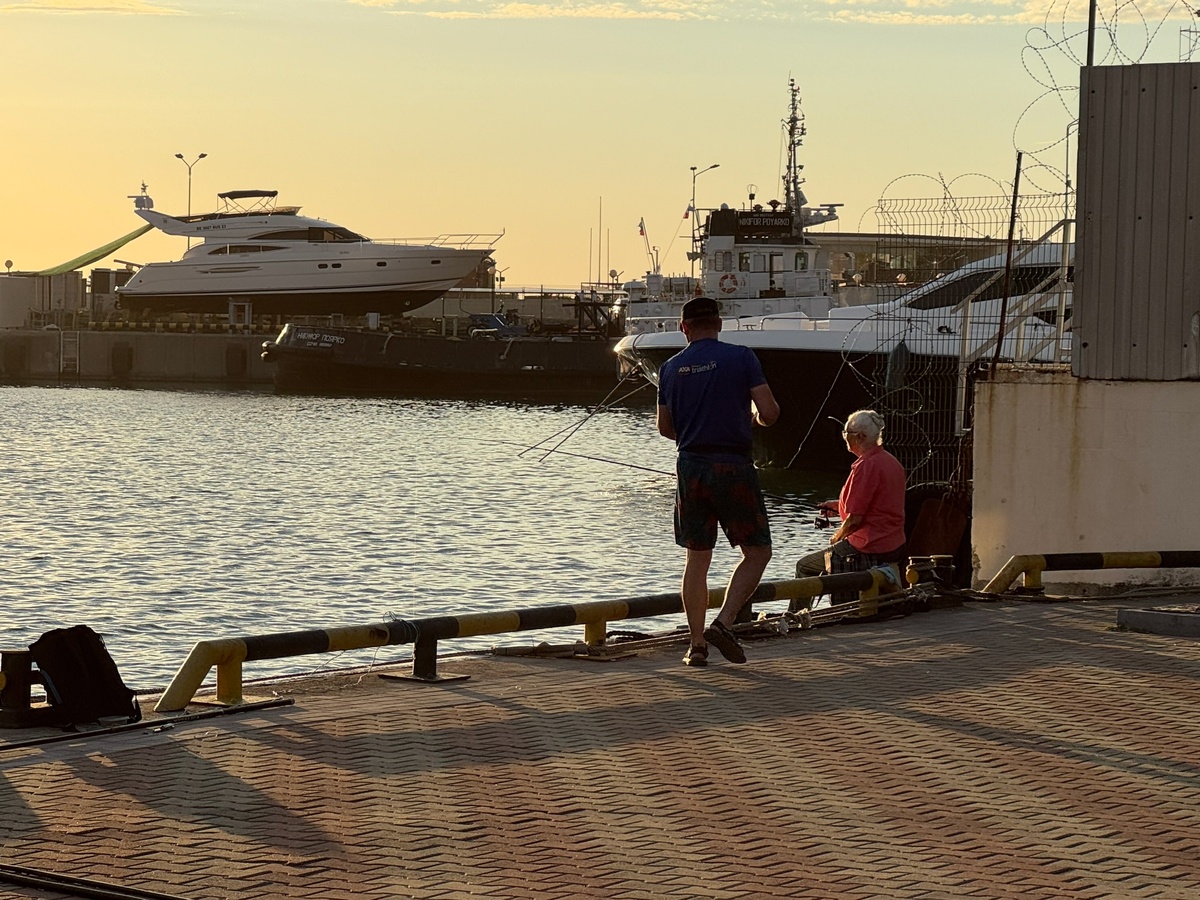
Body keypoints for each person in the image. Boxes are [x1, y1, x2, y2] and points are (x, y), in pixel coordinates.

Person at [656, 296, 780, 667]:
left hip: (691, 466)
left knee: (697, 557)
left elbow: (665, 427)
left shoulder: (670, 368)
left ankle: (696, 646)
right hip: (733, 465)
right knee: (757, 550)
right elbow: (771, 413)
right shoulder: (742, 357)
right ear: (719, 324)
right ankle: (724, 623)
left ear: (684, 329)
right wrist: (754, 419)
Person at [815, 409, 907, 604]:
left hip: (871, 544)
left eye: (846, 432)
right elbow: (877, 504)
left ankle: (797, 616)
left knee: (804, 566)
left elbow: (855, 519)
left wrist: (837, 536)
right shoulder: (891, 462)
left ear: (860, 437)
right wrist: (836, 506)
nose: (843, 437)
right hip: (895, 541)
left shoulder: (866, 466)